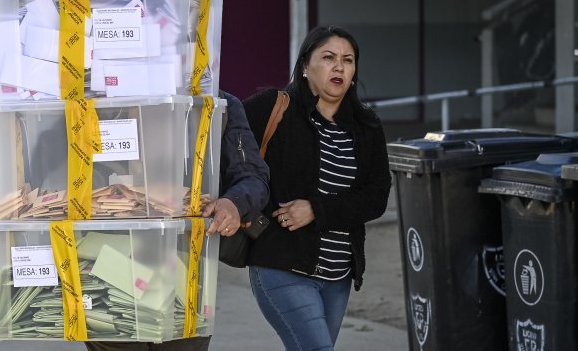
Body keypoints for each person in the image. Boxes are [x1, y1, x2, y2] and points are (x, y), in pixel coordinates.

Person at [241, 25, 391, 351]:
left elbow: (376, 197)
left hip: (338, 277)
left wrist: (316, 210)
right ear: (306, 66)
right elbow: (224, 127)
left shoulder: (367, 126)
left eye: (348, 60)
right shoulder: (275, 108)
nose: (339, 66)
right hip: (281, 266)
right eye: (328, 57)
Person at [84, 91, 271, 351]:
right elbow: (53, 169)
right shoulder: (100, 99)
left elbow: (252, 176)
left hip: (187, 265)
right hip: (106, 264)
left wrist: (234, 203)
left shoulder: (218, 104)